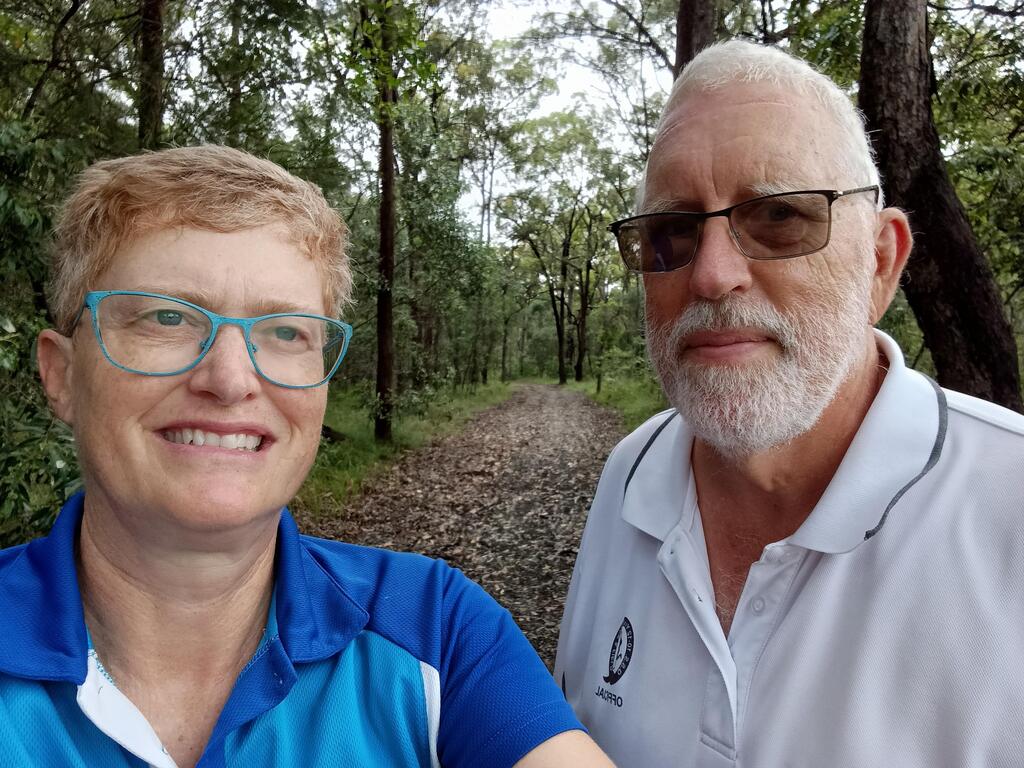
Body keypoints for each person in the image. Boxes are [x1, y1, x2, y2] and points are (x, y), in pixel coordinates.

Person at [0, 145, 613, 768]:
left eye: (286, 331)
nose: (231, 379)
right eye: (167, 317)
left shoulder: (434, 629)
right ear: (62, 374)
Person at [555, 40, 1024, 767]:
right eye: (671, 232)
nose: (711, 275)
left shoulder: (1008, 512)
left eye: (778, 218)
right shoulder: (629, 475)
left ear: (880, 260)